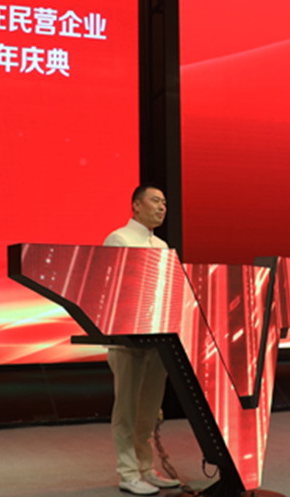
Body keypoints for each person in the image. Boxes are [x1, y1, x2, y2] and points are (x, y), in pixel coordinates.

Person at [103, 185, 180, 496]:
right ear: (136, 205)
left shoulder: (161, 245)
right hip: (128, 339)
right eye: (155, 201)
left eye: (165, 203)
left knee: (149, 410)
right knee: (127, 411)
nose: (162, 207)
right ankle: (128, 472)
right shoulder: (118, 239)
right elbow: (113, 289)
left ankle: (146, 469)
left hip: (158, 335)